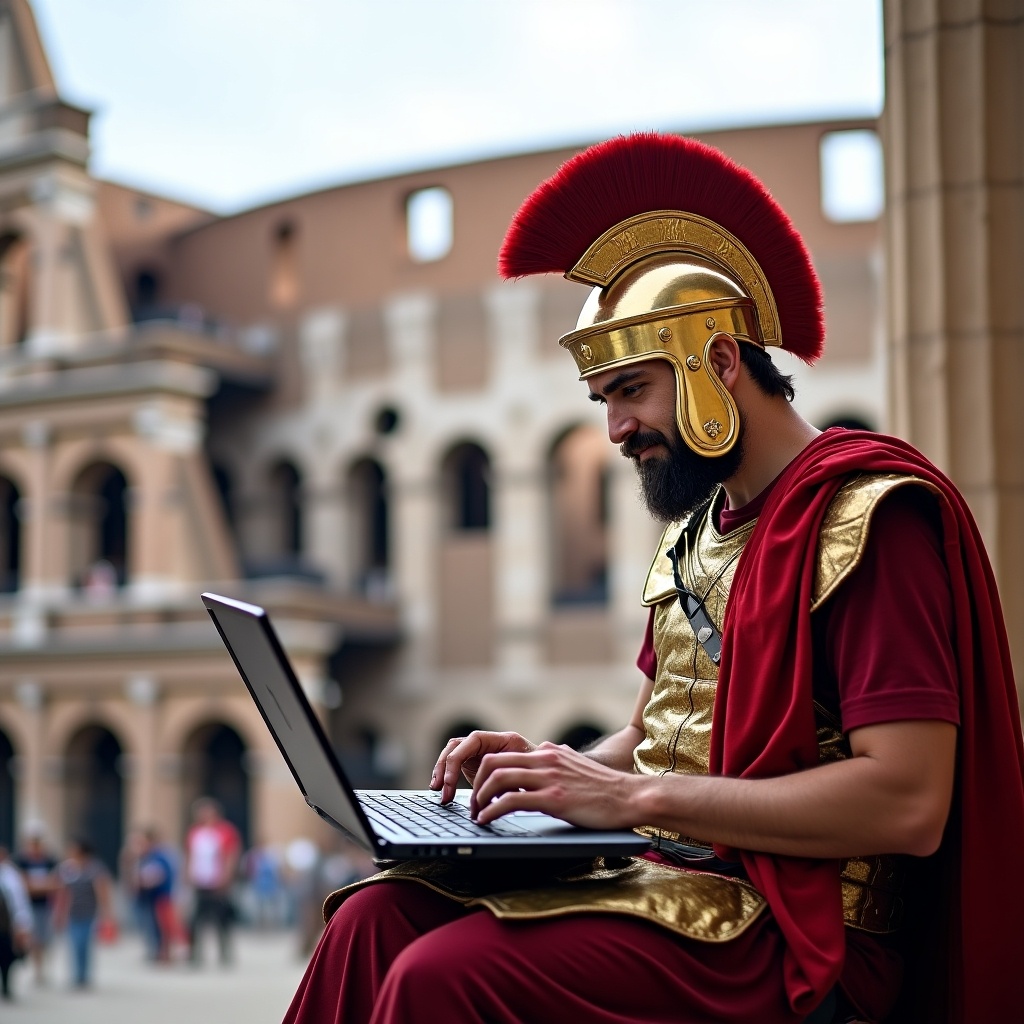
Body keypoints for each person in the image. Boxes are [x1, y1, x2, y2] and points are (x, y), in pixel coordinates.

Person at [282, 134, 1024, 1024]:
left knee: (444, 977)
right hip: (680, 885)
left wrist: (631, 799)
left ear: (716, 363)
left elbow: (908, 802)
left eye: (631, 390)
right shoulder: (695, 533)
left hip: (802, 929)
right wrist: (543, 774)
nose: (616, 430)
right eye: (604, 401)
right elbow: (654, 738)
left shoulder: (869, 518)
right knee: (371, 918)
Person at [184, 797, 241, 966]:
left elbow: (232, 854)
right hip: (199, 881)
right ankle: (194, 953)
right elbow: (189, 855)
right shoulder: (195, 831)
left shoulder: (225, 831)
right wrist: (187, 874)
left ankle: (225, 953)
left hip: (217, 882)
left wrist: (226, 877)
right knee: (195, 920)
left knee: (221, 919)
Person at [53, 838, 113, 990]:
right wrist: (60, 913)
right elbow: (63, 891)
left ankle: (84, 975)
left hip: (88, 913)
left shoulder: (94, 868)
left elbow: (102, 890)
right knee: (75, 944)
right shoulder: (68, 868)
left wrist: (107, 914)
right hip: (73, 912)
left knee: (84, 943)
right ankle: (77, 975)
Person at [13, 825, 58, 985]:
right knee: (34, 940)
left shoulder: (50, 860)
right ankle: (37, 969)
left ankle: (43, 968)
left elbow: (56, 884)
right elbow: (23, 885)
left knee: (45, 939)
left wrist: (36, 886)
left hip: (46, 906)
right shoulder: (21, 861)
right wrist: (42, 885)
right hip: (28, 906)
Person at [135, 827, 176, 962]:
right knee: (152, 927)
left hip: (160, 898)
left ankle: (163, 954)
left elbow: (156, 876)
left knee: (161, 928)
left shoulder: (158, 857)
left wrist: (142, 882)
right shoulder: (146, 857)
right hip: (150, 899)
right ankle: (156, 952)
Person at [0, 845, 32, 999]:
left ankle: (6, 986)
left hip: (5, 925)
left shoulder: (10, 875)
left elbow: (19, 901)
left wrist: (23, 924)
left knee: (6, 957)